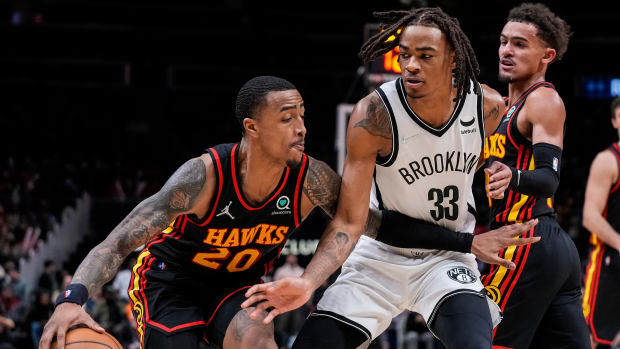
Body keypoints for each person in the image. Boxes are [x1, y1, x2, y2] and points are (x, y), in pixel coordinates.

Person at [37, 74, 526, 349]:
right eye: (286, 117)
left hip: (238, 288)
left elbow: (377, 224)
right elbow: (119, 239)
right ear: (252, 127)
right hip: (172, 283)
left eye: (303, 115)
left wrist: (466, 241)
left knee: (258, 340)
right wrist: (71, 296)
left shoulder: (312, 179)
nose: (300, 126)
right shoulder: (203, 176)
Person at [243, 7, 538, 349]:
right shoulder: (373, 116)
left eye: (425, 56)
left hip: (446, 258)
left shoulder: (487, 106)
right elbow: (350, 220)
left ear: (453, 59)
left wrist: (499, 174)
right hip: (378, 259)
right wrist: (308, 282)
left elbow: (480, 163)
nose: (411, 64)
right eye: (405, 55)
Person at [481, 3, 590, 348]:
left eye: (519, 44)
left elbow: (548, 179)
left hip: (525, 240)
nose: (506, 51)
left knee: (484, 340)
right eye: (503, 41)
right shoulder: (497, 106)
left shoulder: (543, 100)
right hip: (546, 249)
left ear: (547, 55)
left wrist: (512, 177)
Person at [582, 97, 620, 348]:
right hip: (609, 261)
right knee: (594, 338)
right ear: (615, 122)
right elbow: (590, 217)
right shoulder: (608, 161)